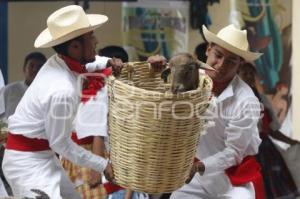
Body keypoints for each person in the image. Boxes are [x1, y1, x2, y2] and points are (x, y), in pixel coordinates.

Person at [2, 5, 123, 199]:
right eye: (91, 37)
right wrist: (102, 164)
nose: (96, 41)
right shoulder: (62, 90)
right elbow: (61, 144)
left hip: (43, 155)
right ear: (75, 47)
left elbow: (89, 62)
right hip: (27, 165)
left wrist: (108, 62)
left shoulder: (58, 60)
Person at [170, 24, 264, 199]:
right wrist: (157, 67)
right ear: (208, 49)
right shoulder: (192, 78)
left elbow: (234, 153)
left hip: (233, 182)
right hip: (197, 179)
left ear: (240, 64)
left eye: (231, 61)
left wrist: (198, 167)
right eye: (218, 56)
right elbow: (167, 85)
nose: (220, 65)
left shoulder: (246, 101)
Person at [238, 62, 300, 199]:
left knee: (271, 189)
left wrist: (291, 141)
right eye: (244, 73)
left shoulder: (262, 101)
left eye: (251, 74)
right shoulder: (232, 101)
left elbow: (271, 129)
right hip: (245, 152)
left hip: (266, 151)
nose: (248, 76)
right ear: (236, 76)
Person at [0, 52, 46, 120]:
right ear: (24, 69)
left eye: (39, 67)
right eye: (31, 66)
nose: (35, 70)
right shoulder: (8, 91)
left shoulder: (49, 93)